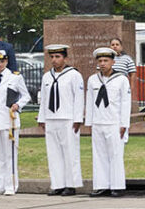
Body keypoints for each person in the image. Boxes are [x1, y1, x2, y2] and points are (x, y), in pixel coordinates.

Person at [38, 44, 86, 196]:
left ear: (65, 58)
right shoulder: (47, 76)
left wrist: (78, 118)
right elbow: (44, 99)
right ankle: (58, 184)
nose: (54, 60)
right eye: (52, 57)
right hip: (51, 118)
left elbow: (79, 99)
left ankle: (71, 185)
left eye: (57, 57)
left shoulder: (73, 75)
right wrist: (42, 118)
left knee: (70, 152)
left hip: (68, 118)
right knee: (53, 153)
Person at [86, 47, 131, 197]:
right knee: (99, 155)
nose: (103, 63)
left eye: (106, 60)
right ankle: (101, 185)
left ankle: (117, 186)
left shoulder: (121, 80)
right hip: (98, 122)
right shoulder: (93, 80)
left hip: (114, 122)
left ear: (113, 62)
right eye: (100, 61)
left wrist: (124, 124)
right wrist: (90, 123)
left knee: (115, 154)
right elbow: (90, 102)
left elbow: (126, 103)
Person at [0, 50, 23, 194]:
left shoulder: (15, 77)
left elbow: (25, 96)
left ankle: (11, 185)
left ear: (6, 61)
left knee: (10, 154)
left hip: (9, 121)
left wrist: (18, 105)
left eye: (2, 61)